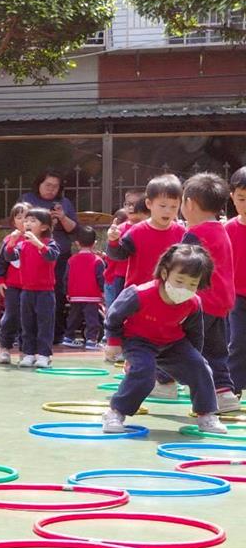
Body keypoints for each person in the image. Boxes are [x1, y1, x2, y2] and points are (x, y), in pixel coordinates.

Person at [102, 244, 227, 435]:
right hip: (138, 341)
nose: (184, 289)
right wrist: (113, 343)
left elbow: (195, 334)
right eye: (179, 281)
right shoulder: (140, 294)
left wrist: (192, 362)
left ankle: (206, 415)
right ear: (164, 273)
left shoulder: (193, 303)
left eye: (192, 284)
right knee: (144, 371)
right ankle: (115, 412)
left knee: (201, 368)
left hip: (172, 343)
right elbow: (114, 317)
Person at [106, 174, 187, 392]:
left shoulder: (181, 233)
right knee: (139, 337)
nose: (168, 211)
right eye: (163, 205)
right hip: (139, 298)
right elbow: (119, 255)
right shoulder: (137, 231)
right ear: (149, 204)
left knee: (167, 336)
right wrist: (113, 241)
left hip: (169, 296)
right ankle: (136, 370)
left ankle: (166, 378)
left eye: (174, 206)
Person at [181, 172, 238, 413]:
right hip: (221, 303)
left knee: (180, 345)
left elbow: (181, 267)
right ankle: (224, 392)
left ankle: (162, 379)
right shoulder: (221, 229)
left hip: (199, 303)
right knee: (217, 351)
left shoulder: (195, 235)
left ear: (189, 203)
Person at [19, 169, 77, 341]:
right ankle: (28, 335)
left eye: (55, 186)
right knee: (29, 294)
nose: (51, 189)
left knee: (57, 292)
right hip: (31, 253)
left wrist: (62, 217)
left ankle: (56, 333)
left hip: (58, 252)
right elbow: (19, 221)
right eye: (48, 185)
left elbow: (74, 229)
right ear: (39, 184)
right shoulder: (27, 199)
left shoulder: (64, 202)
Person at [5, 208, 60, 368]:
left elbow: (51, 256)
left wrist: (38, 244)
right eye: (26, 221)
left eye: (33, 221)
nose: (27, 223)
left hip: (45, 292)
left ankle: (44, 355)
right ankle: (28, 353)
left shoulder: (50, 243)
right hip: (26, 291)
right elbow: (9, 256)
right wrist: (11, 243)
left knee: (45, 324)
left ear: (44, 226)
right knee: (27, 324)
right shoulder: (22, 244)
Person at [0, 202, 29, 364]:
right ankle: (4, 348)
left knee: (28, 318)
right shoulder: (9, 239)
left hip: (31, 287)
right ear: (13, 221)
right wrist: (0, 280)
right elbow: (1, 262)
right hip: (13, 286)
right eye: (19, 217)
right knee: (11, 316)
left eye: (27, 217)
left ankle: (26, 350)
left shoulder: (37, 240)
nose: (23, 221)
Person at [60, 225, 105, 350]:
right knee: (92, 319)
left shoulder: (71, 260)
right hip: (92, 296)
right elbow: (101, 278)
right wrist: (103, 291)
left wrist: (67, 292)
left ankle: (68, 337)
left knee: (74, 317)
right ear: (94, 243)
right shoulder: (98, 260)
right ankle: (91, 340)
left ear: (77, 243)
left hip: (75, 295)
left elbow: (66, 278)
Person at [103, 199, 149, 309]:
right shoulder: (119, 229)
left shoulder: (146, 228)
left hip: (140, 276)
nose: (131, 207)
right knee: (117, 310)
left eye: (134, 204)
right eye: (128, 204)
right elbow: (113, 255)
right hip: (119, 277)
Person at [225, 166, 246, 393]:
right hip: (237, 297)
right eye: (242, 199)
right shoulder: (228, 229)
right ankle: (233, 388)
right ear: (232, 197)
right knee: (237, 341)